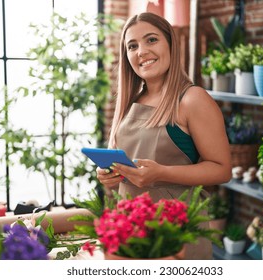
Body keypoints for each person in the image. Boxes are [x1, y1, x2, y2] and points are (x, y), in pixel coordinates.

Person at [96, 12, 232, 259]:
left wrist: (161, 173)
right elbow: (128, 164)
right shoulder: (130, 102)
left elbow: (221, 170)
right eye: (132, 46)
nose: (142, 52)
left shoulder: (192, 99)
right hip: (131, 231)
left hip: (177, 236)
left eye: (151, 40)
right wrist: (111, 174)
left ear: (170, 43)